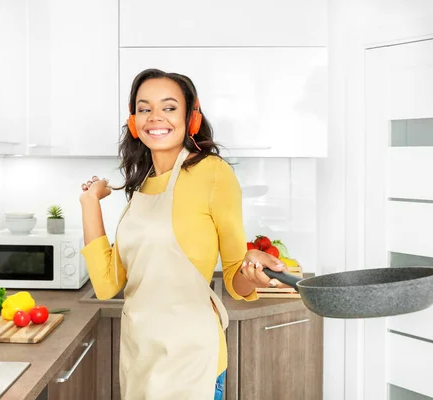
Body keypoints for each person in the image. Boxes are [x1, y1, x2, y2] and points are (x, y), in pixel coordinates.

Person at [79, 68, 286, 399]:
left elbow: (235, 278)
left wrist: (251, 269)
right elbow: (106, 284)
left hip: (192, 357)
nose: (155, 117)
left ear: (191, 117)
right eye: (144, 108)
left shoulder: (213, 173)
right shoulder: (141, 183)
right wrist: (90, 203)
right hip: (139, 353)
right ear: (134, 122)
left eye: (169, 107)